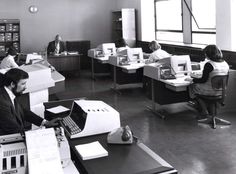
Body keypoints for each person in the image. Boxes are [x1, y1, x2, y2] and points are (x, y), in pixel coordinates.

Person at [0, 68, 61, 135]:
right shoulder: (2, 102)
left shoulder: (8, 92)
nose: (25, 87)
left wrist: (46, 123)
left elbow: (23, 111)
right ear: (12, 84)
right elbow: (15, 130)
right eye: (23, 84)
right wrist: (47, 134)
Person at [187, 45, 229, 119]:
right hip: (220, 92)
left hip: (208, 91)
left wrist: (193, 79)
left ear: (209, 54)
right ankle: (210, 112)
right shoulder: (225, 64)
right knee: (201, 89)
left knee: (192, 86)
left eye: (206, 53)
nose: (205, 55)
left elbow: (203, 80)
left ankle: (204, 111)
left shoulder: (209, 64)